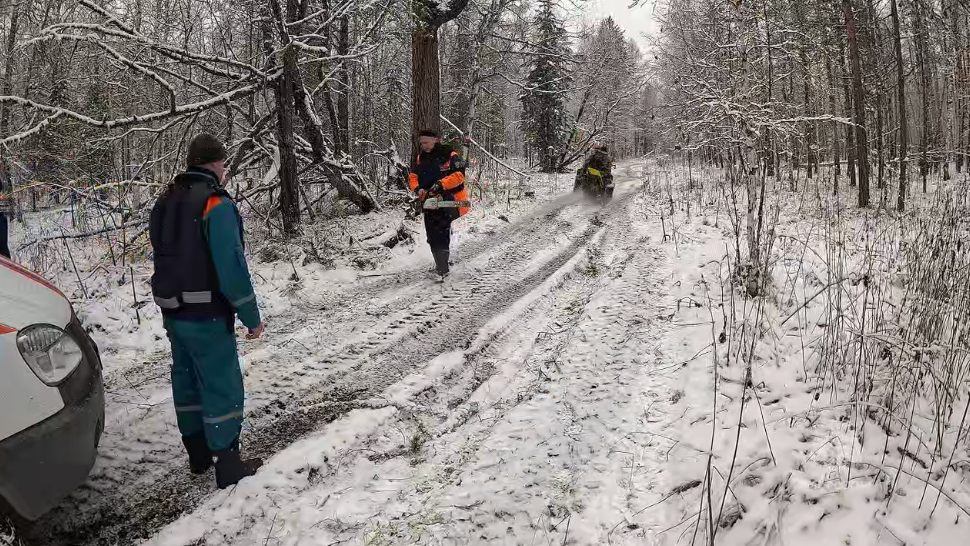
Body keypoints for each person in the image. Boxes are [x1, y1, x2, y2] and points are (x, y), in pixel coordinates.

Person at [149, 133, 265, 488]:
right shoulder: (216, 204)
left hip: (173, 310)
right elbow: (230, 266)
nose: (226, 169)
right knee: (221, 383)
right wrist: (250, 316)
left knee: (185, 379)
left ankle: (197, 454)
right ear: (215, 164)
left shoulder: (165, 200)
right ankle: (228, 464)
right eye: (224, 163)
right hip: (207, 313)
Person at [408, 129, 471, 280]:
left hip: (450, 200)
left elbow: (459, 175)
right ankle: (441, 264)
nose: (423, 145)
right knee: (432, 234)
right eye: (421, 143)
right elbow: (413, 176)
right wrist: (418, 189)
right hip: (429, 202)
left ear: (436, 140)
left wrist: (440, 185)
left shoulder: (451, 155)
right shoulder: (420, 158)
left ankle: (442, 270)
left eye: (426, 142)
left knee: (440, 231)